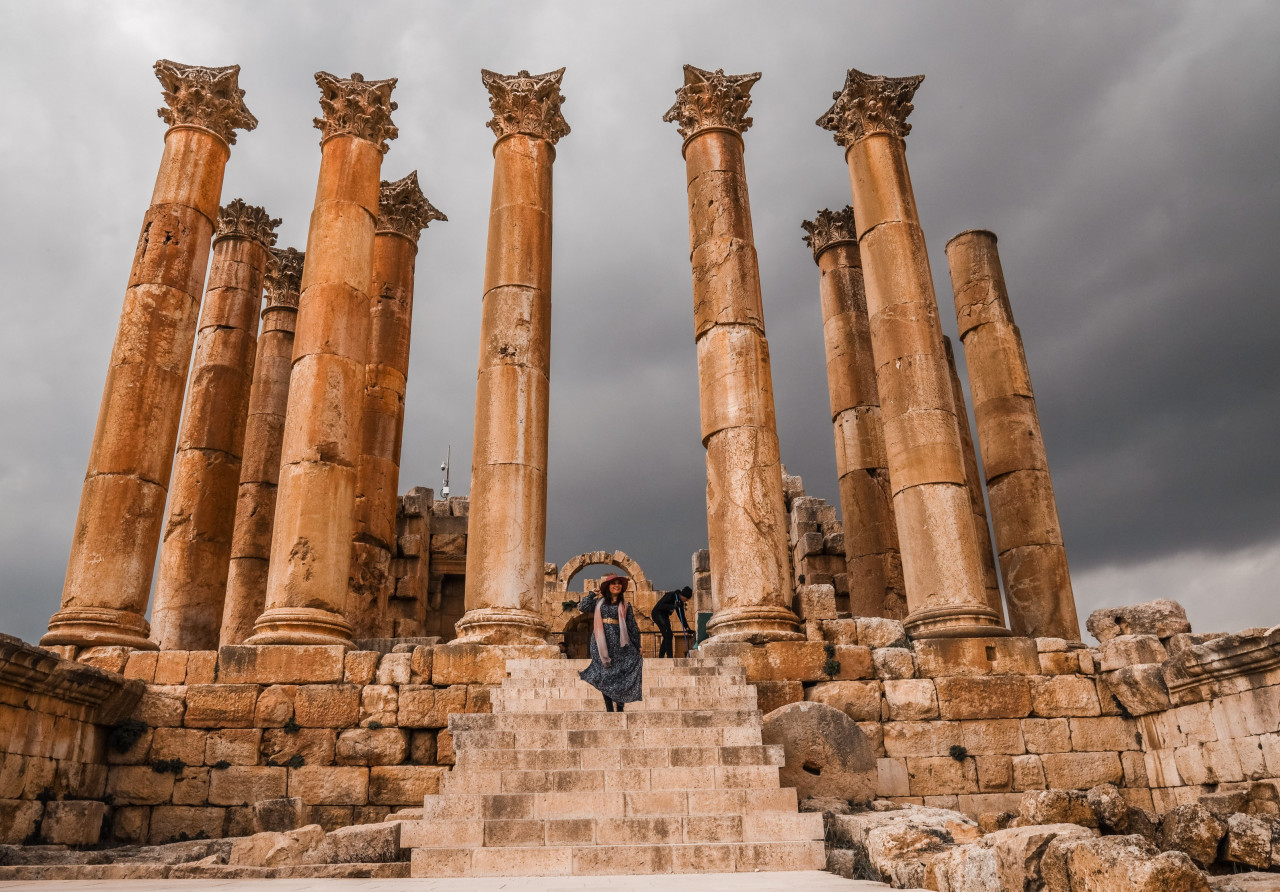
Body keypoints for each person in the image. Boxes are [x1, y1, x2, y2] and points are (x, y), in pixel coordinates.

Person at [577, 573, 643, 712]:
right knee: (604, 674)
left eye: (619, 583)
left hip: (620, 642)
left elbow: (632, 626)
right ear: (608, 587)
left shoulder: (625, 605)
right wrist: (591, 594)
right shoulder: (598, 602)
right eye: (613, 583)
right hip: (600, 642)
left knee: (620, 675)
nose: (616, 585)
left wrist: (638, 645)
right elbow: (582, 607)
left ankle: (620, 707)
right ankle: (609, 708)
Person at [651, 585, 694, 658]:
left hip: (665, 616)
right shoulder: (671, 595)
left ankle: (661, 656)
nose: (686, 601)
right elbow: (661, 605)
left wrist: (687, 628)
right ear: (683, 596)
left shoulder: (680, 602)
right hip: (657, 613)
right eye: (686, 599)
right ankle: (669, 656)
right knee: (668, 634)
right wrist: (673, 606)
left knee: (668, 635)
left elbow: (682, 616)